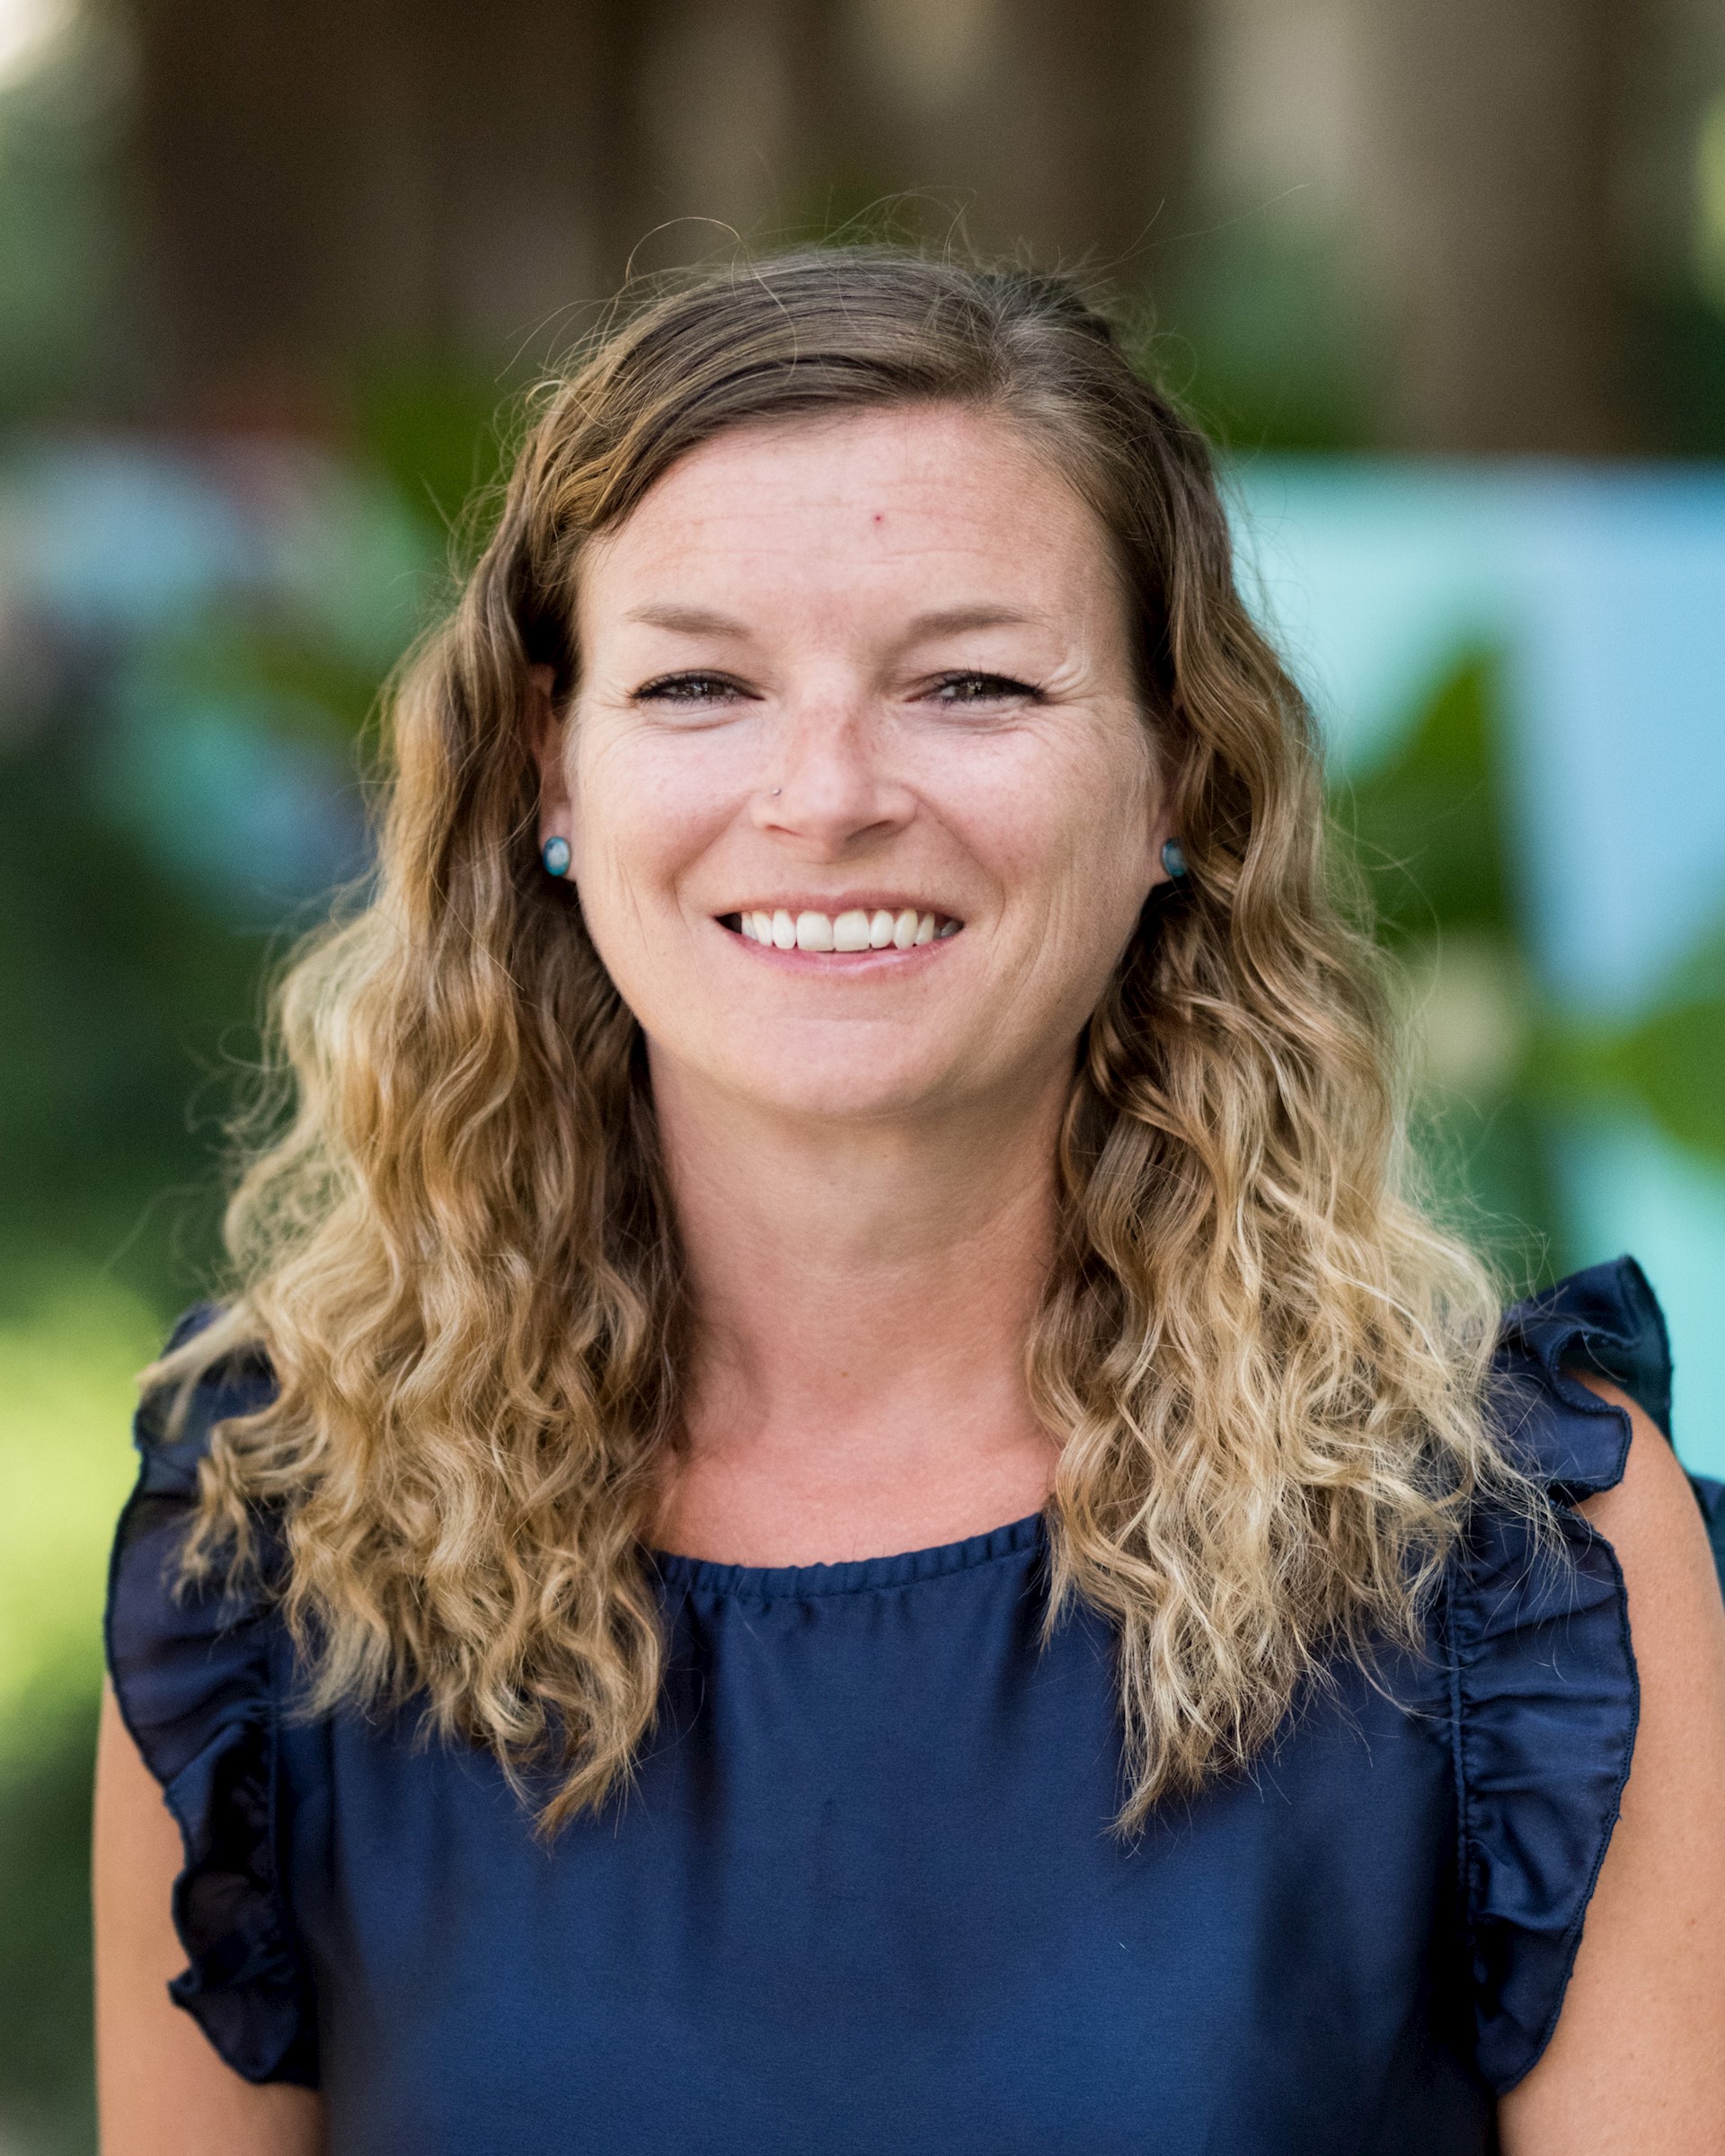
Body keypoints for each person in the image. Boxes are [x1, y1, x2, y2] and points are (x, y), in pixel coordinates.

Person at [93, 250, 1725, 2156]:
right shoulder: (272, 1552)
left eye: (969, 681)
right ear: (554, 767)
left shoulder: (1524, 1568)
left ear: (1176, 770)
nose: (827, 791)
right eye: (701, 681)